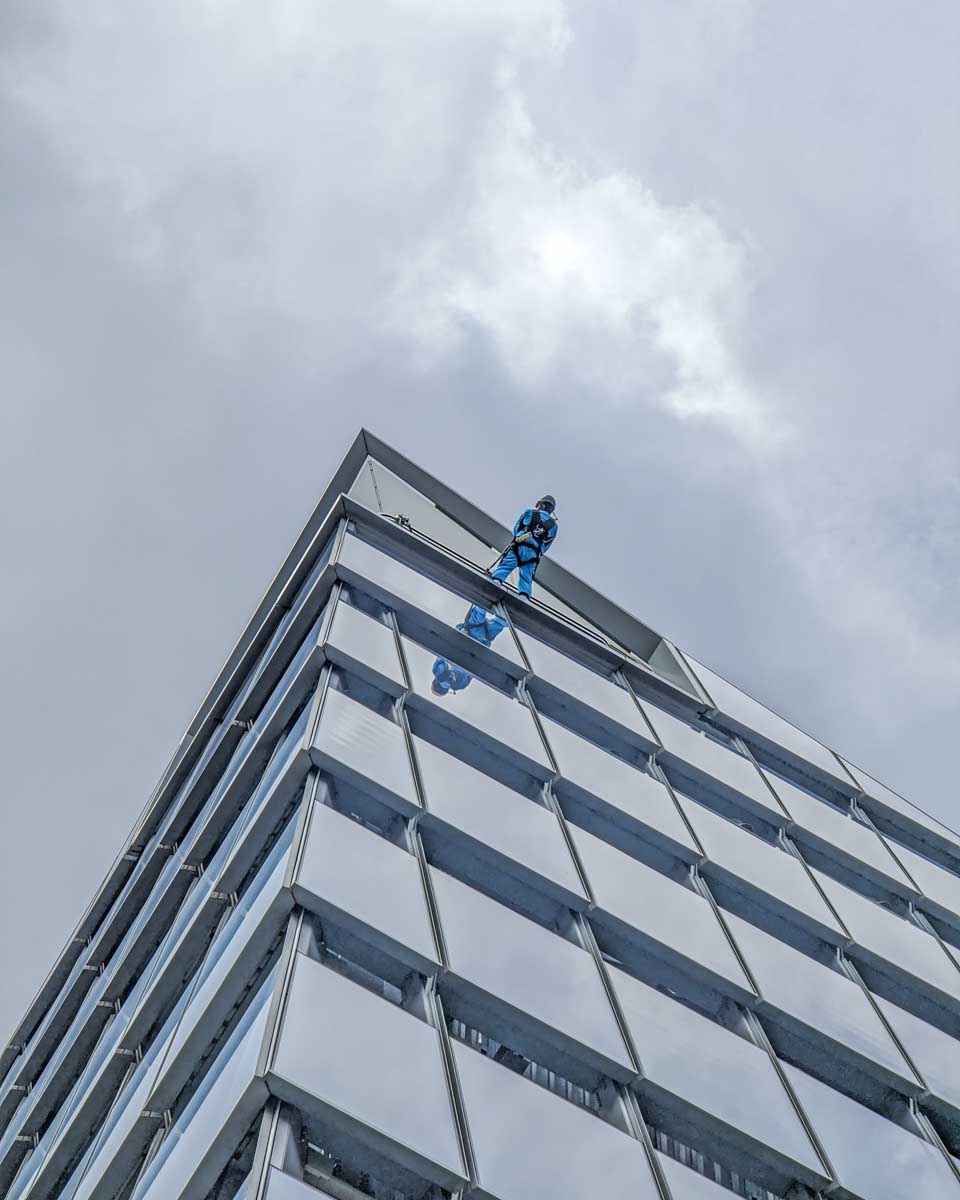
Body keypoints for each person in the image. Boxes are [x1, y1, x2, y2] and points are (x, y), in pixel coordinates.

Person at [431, 603, 507, 696]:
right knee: (483, 604)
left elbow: (474, 670)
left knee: (503, 619)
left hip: (479, 640)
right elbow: (443, 654)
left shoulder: (457, 683)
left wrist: (444, 677)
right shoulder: (451, 680)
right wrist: (444, 677)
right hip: (473, 635)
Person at [489, 495, 558, 597]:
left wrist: (522, 537)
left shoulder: (529, 513)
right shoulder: (554, 526)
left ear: (542, 505)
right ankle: (524, 596)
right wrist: (538, 550)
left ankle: (496, 581)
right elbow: (547, 545)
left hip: (520, 545)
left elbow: (516, 529)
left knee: (505, 567)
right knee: (526, 577)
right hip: (534, 554)